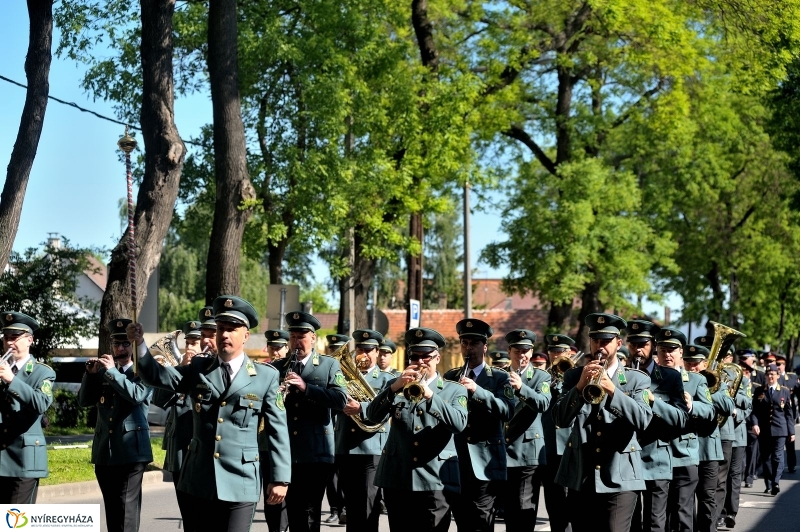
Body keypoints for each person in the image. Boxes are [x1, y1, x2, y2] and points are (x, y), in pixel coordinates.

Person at [132, 296, 292, 532]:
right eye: (221, 328)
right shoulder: (198, 368)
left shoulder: (265, 376)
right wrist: (139, 345)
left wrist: (280, 478)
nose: (224, 334)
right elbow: (159, 377)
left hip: (241, 480)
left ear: (246, 336)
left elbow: (278, 430)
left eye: (232, 329)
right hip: (199, 478)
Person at [554, 313, 653, 532]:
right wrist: (579, 387)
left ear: (618, 343)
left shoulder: (637, 378)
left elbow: (643, 419)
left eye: (606, 341)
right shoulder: (573, 377)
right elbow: (560, 419)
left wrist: (612, 390)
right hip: (581, 473)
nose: (600, 346)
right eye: (595, 340)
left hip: (620, 474)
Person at [365, 327, 468, 532]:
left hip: (435, 479)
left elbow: (458, 424)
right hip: (398, 476)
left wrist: (430, 396)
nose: (420, 361)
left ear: (437, 358)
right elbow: (372, 416)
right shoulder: (395, 385)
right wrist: (394, 387)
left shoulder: (454, 389)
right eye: (414, 356)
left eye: (426, 356)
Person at [269, 311, 348, 532]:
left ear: (313, 338)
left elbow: (340, 400)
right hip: (287, 450)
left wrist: (306, 388)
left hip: (316, 452)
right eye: (292, 337)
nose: (296, 342)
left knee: (310, 512)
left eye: (301, 336)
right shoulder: (278, 367)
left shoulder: (328, 365)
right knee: (293, 511)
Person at [79, 318, 153, 532]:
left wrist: (112, 372)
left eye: (125, 344)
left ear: (133, 345)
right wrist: (90, 375)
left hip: (131, 453)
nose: (120, 348)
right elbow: (84, 401)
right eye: (116, 344)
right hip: (105, 451)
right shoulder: (105, 372)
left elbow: (136, 395)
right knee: (112, 512)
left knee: (126, 512)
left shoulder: (144, 371)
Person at [443, 318, 513, 532]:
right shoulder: (451, 376)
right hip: (457, 459)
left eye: (474, 343)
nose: (468, 348)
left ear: (485, 347)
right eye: (464, 343)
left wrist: (477, 391)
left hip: (485, 460)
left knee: (481, 521)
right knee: (462, 519)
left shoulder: (500, 377)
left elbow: (507, 411)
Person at [627, 322, 687, 532]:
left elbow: (681, 418)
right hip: (626, 460)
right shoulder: (619, 375)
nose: (638, 350)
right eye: (633, 344)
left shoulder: (670, 377)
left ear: (652, 345)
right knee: (630, 525)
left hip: (656, 458)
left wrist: (654, 401)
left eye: (642, 344)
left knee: (655, 524)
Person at [336, 329, 391, 532]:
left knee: (369, 503)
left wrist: (362, 407)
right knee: (351, 505)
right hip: (346, 446)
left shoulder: (387, 379)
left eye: (369, 350)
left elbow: (386, 409)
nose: (364, 354)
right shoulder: (341, 376)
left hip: (372, 448)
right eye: (360, 349)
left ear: (377, 352)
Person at [150, 319, 203, 530]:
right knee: (187, 514)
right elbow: (159, 399)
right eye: (188, 342)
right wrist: (179, 369)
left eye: (195, 342)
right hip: (179, 446)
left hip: (202, 447)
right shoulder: (178, 367)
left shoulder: (212, 368)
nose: (190, 347)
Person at [0, 311, 55, 504]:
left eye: (15, 337)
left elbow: (41, 403)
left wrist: (11, 380)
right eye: (6, 337)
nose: (9, 343)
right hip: (1, 457)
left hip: (25, 459)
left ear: (29, 340)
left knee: (16, 518)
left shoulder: (42, 372)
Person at [501, 329, 551, 532]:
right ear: (509, 351)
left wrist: (522, 387)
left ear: (531, 351)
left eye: (526, 351)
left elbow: (543, 403)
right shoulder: (499, 375)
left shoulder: (541, 376)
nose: (522, 355)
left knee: (524, 508)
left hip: (528, 451)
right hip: (503, 449)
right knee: (509, 510)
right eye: (517, 351)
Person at [663, 341, 714, 532]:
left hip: (684, 453)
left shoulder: (695, 380)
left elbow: (710, 410)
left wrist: (692, 405)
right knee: (659, 514)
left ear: (680, 353)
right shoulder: (649, 377)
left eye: (671, 350)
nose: (667, 355)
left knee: (682, 511)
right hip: (656, 454)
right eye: (662, 350)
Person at [684, 343, 734, 532]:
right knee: (684, 499)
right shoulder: (679, 380)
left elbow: (728, 407)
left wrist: (705, 391)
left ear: (705, 363)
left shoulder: (715, 382)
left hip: (708, 449)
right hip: (684, 448)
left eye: (696, 363)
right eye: (688, 363)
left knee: (707, 497)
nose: (692, 367)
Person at [541, 334, 575, 532]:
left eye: (560, 351)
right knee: (553, 499)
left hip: (570, 444)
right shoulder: (542, 377)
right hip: (550, 445)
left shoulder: (575, 375)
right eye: (553, 351)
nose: (556, 355)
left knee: (573, 499)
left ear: (568, 353)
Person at [750, 363, 795, 496]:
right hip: (764, 430)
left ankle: (775, 482)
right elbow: (755, 411)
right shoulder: (760, 391)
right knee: (766, 458)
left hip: (780, 429)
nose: (770, 377)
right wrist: (755, 424)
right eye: (768, 374)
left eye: (773, 374)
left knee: (777, 456)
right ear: (765, 376)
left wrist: (791, 432)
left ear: (777, 376)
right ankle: (769, 484)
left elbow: (788, 413)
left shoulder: (784, 391)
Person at [323, 332, 350, 526]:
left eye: (338, 350)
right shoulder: (324, 370)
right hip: (328, 427)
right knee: (331, 474)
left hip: (345, 428)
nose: (334, 353)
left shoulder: (350, 373)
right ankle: (335, 508)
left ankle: (346, 507)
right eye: (332, 349)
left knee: (344, 473)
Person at [720, 364, 752, 529]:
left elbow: (748, 404)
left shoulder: (744, 381)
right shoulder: (717, 377)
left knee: (734, 474)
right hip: (721, 433)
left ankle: (731, 512)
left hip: (738, 435)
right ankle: (720, 512)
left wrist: (732, 396)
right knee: (720, 476)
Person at [775, 353, 798, 473]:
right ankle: (776, 467)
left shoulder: (792, 378)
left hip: (789, 414)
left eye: (780, 364)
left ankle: (791, 464)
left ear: (784, 365)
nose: (778, 366)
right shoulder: (773, 377)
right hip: (776, 414)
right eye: (776, 364)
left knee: (790, 440)